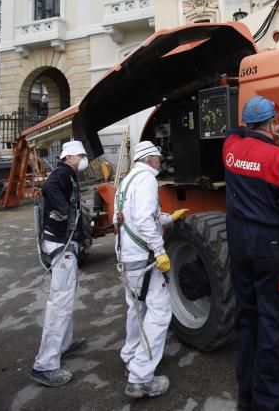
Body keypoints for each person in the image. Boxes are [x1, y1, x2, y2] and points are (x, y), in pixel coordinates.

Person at [222, 96, 279, 411]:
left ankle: (246, 398)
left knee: (248, 318)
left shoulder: (230, 147)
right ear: (272, 124)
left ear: (247, 123)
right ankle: (269, 403)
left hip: (239, 239)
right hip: (270, 245)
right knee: (275, 323)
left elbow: (236, 132)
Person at [114, 140, 188, 399]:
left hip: (128, 258)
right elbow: (144, 220)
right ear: (149, 159)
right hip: (144, 259)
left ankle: (130, 357)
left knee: (137, 310)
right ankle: (140, 378)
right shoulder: (146, 179)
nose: (160, 162)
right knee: (160, 313)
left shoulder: (126, 180)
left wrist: (169, 217)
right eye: (158, 158)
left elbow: (131, 218)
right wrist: (159, 251)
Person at [30, 140, 89, 387]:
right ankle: (44, 365)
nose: (85, 159)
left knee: (65, 298)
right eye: (82, 155)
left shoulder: (68, 174)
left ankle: (63, 345)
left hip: (64, 245)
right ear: (71, 157)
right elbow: (50, 190)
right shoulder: (62, 173)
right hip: (60, 247)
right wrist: (65, 212)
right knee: (60, 303)